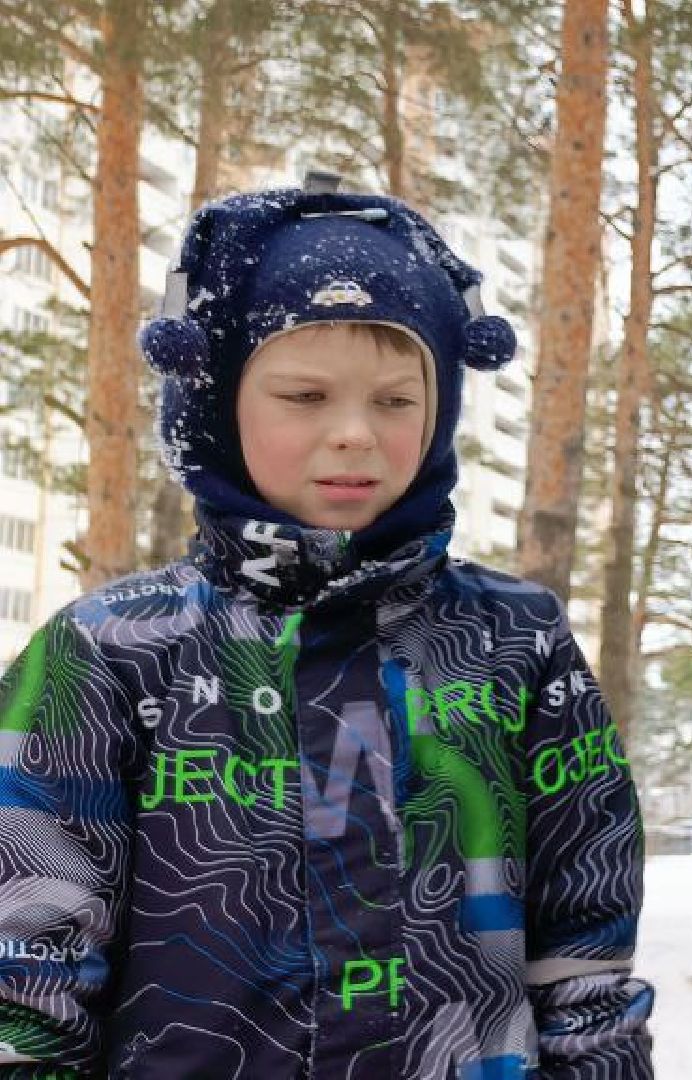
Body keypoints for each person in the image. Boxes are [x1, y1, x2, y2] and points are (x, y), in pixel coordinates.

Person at [0, 181, 653, 1077]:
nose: (354, 433)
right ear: (218, 403)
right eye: (305, 395)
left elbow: (586, 955)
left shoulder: (516, 639)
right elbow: (25, 969)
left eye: (395, 401)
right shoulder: (111, 650)